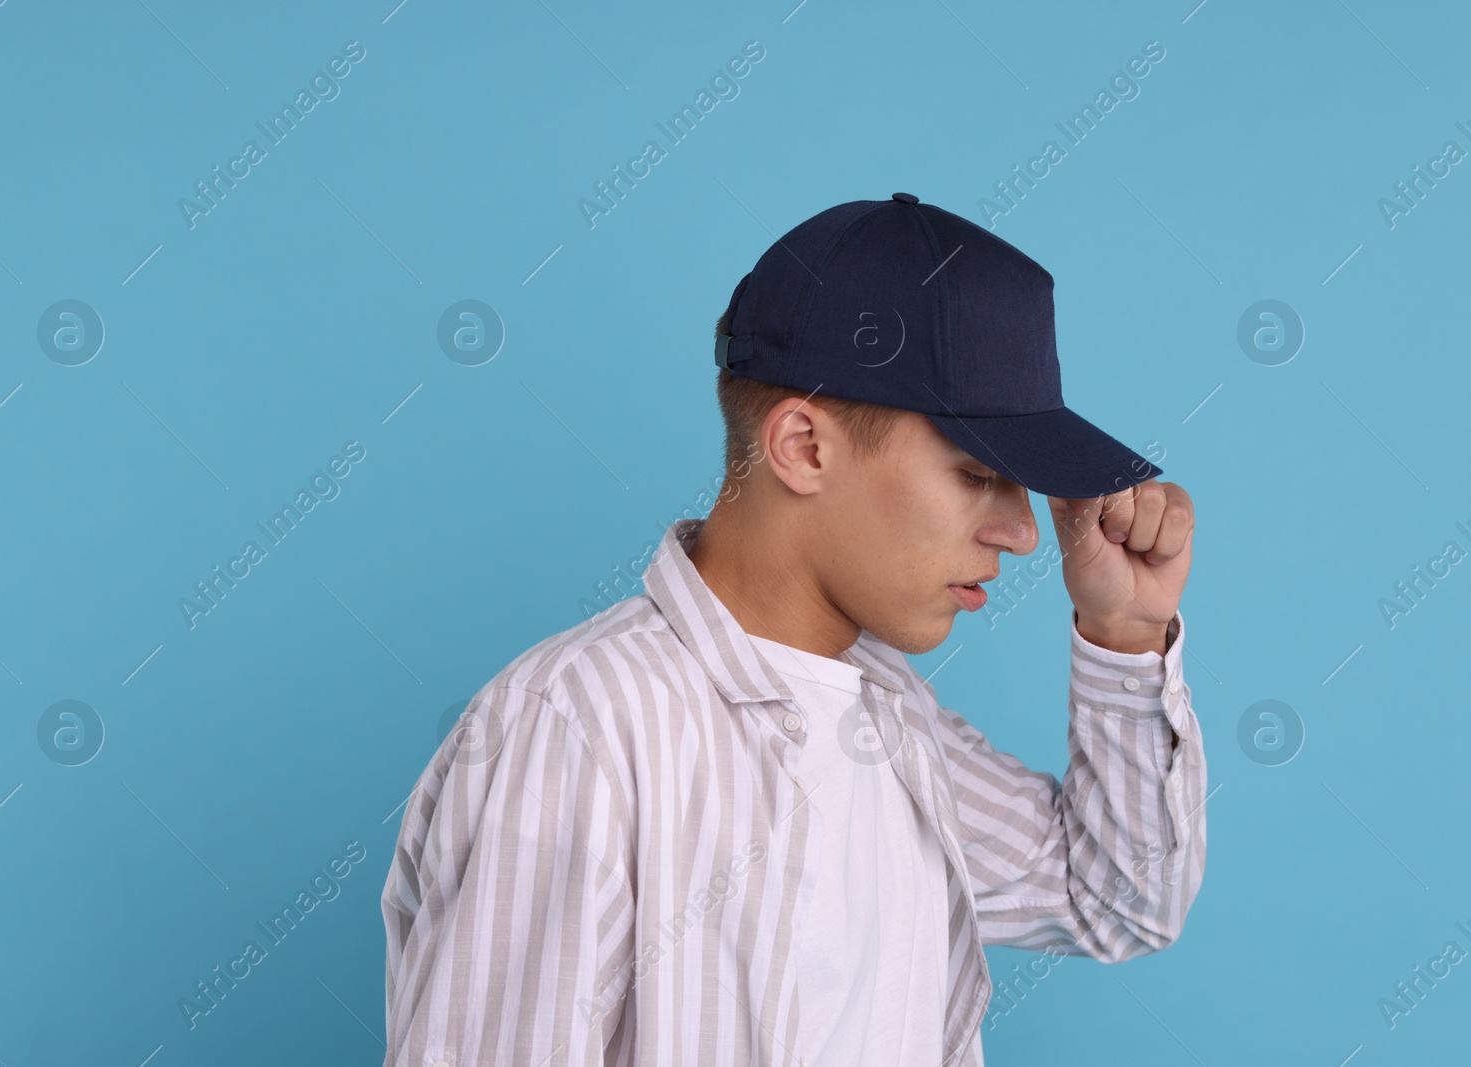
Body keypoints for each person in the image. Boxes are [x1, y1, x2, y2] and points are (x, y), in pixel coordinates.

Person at [380, 193, 1206, 1066]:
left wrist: (1123, 630)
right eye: (976, 475)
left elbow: (1117, 898)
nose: (1025, 531)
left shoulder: (890, 720)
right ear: (804, 447)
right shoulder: (580, 728)